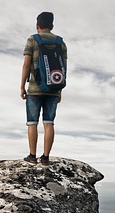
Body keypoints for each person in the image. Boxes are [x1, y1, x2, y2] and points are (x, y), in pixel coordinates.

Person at [20, 11, 67, 166]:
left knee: (32, 123)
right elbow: (63, 68)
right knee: (49, 123)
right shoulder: (61, 43)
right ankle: (45, 158)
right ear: (52, 26)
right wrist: (60, 90)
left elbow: (27, 64)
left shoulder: (33, 40)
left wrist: (22, 86)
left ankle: (32, 156)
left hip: (34, 88)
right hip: (54, 88)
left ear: (37, 25)